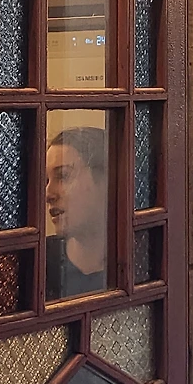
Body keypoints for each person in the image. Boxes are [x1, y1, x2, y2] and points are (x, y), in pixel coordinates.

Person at [45, 125, 108, 302]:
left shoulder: (143, 261)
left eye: (63, 176)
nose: (48, 194)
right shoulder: (37, 261)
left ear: (105, 180)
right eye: (46, 180)